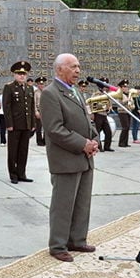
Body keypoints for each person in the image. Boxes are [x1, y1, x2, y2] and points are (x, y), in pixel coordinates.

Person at [40, 53, 99, 262]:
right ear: (59, 69)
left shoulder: (76, 92)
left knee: (82, 202)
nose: (78, 71)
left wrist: (94, 139)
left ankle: (77, 240)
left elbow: (87, 120)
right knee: (63, 204)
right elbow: (54, 129)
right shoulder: (50, 94)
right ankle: (58, 245)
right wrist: (82, 144)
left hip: (85, 157)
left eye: (79, 67)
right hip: (65, 159)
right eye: (73, 67)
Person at [2, 61, 36, 184]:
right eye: (19, 74)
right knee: (13, 151)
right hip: (15, 125)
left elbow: (32, 108)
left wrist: (33, 124)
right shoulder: (9, 87)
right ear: (14, 75)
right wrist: (9, 124)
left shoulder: (30, 88)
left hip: (26, 125)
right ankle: (13, 174)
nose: (22, 76)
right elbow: (6, 107)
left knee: (23, 150)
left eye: (24, 74)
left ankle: (22, 173)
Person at [91, 77, 114, 152]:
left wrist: (109, 107)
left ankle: (107, 146)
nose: (106, 87)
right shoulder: (96, 94)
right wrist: (92, 114)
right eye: (104, 85)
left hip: (104, 115)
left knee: (108, 132)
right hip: (98, 114)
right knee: (97, 132)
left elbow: (109, 103)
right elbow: (92, 104)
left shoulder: (107, 94)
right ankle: (99, 146)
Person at [116, 79, 131, 147]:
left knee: (127, 127)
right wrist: (128, 99)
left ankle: (125, 142)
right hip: (122, 111)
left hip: (128, 111)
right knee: (125, 127)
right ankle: (121, 142)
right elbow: (120, 103)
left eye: (126, 87)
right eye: (124, 87)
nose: (126, 88)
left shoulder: (127, 94)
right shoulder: (119, 94)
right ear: (121, 88)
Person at [34, 77, 47, 146]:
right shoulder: (35, 93)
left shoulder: (47, 92)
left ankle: (45, 140)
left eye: (42, 84)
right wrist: (36, 112)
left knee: (46, 127)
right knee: (38, 128)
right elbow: (34, 103)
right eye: (40, 84)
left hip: (46, 111)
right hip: (39, 111)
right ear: (37, 85)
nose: (41, 85)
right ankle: (39, 141)